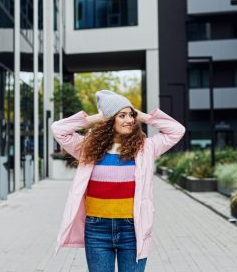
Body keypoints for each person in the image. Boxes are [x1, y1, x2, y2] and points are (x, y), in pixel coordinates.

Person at [51, 89, 185, 272]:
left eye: (131, 115)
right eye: (122, 115)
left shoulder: (145, 148)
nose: (129, 120)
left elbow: (177, 130)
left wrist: (142, 115)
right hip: (97, 229)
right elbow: (58, 129)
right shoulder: (88, 148)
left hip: (132, 229)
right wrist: (97, 117)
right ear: (109, 120)